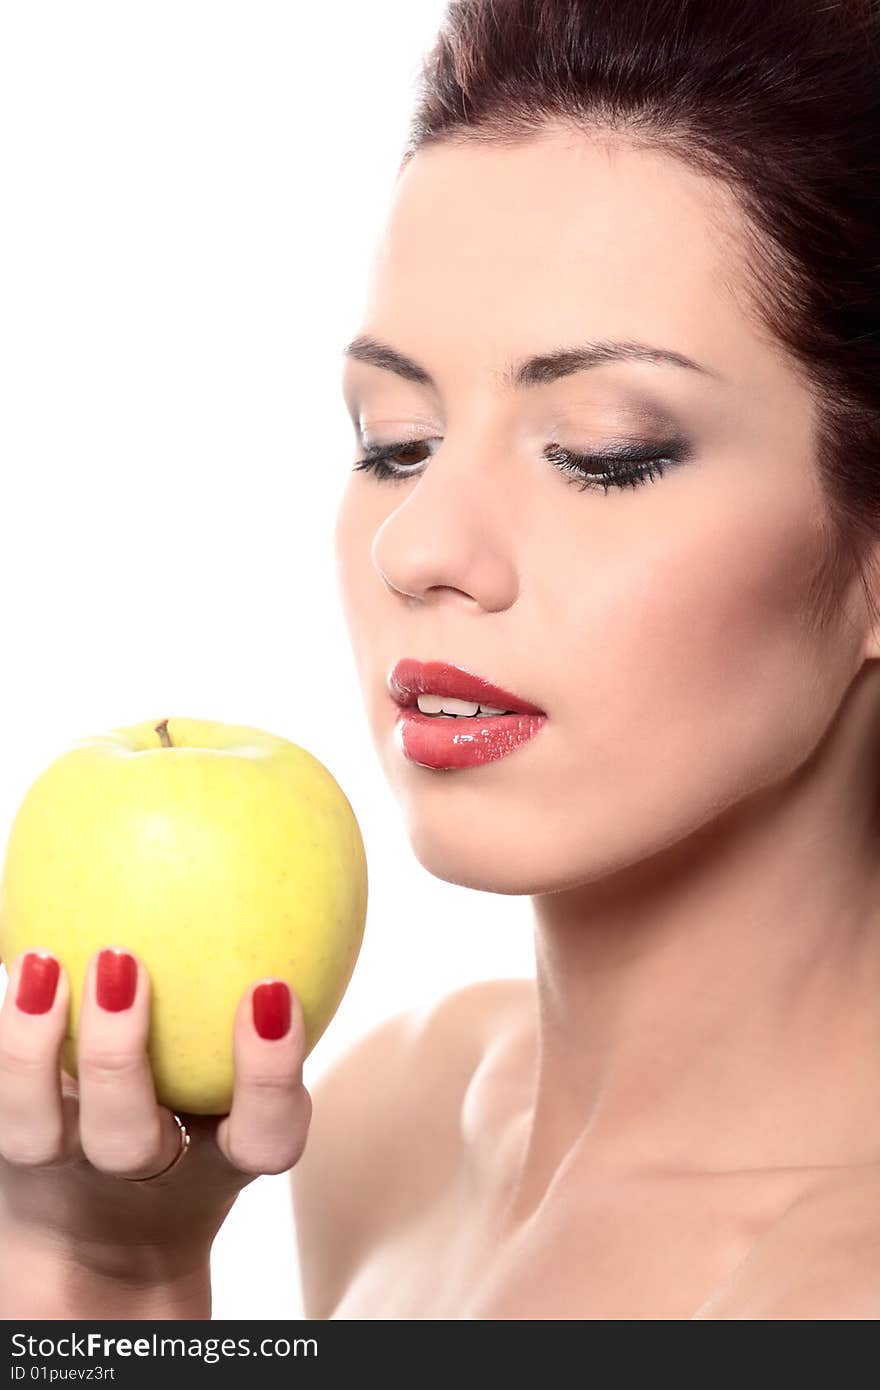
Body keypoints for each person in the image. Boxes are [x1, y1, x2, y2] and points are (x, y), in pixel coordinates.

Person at [2, 0, 880, 1320]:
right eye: (395, 440)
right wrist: (116, 1272)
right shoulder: (385, 1130)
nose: (418, 544)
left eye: (600, 450)